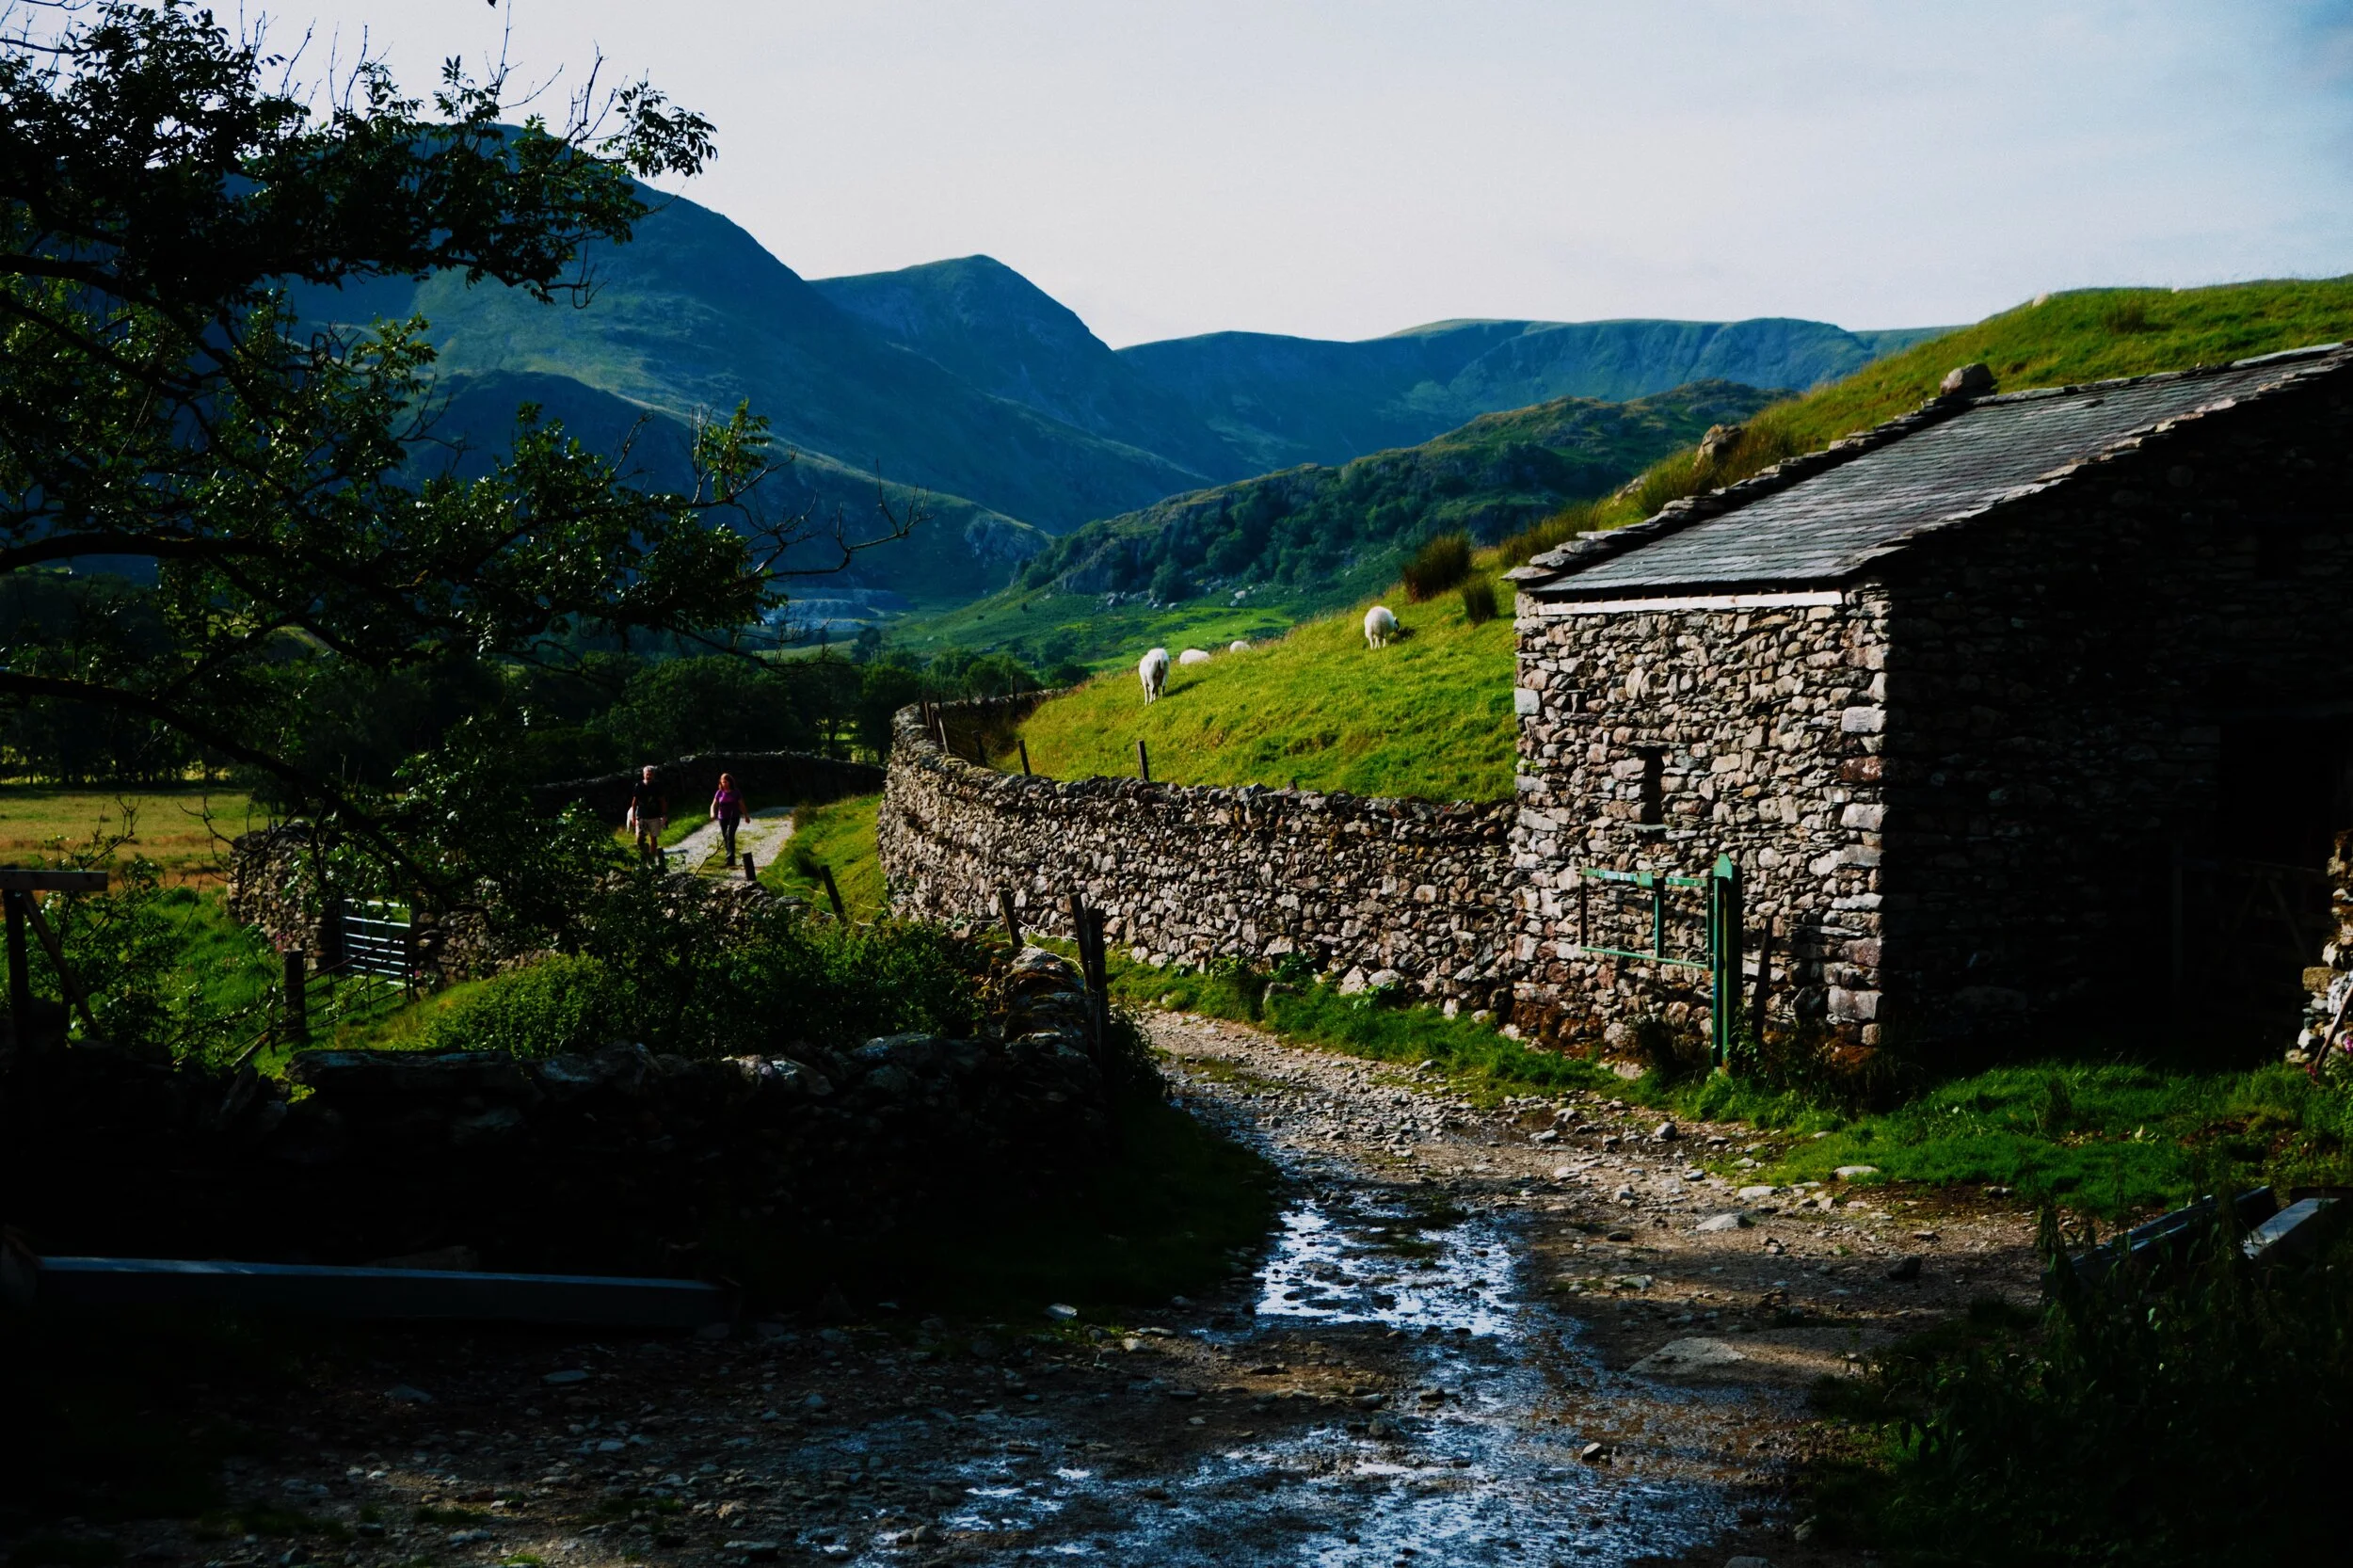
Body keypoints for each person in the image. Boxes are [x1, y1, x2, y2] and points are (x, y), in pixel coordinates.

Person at [627, 765, 667, 859]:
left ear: (653, 775)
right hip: (642, 816)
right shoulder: (639, 786)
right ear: (643, 775)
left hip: (654, 816)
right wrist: (633, 816)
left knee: (654, 838)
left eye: (650, 774)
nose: (648, 776)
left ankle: (652, 859)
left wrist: (664, 815)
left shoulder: (657, 786)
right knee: (640, 837)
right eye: (647, 774)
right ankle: (643, 853)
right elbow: (634, 802)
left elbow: (663, 801)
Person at [711, 772, 745, 862]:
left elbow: (741, 805)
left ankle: (730, 859)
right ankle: (729, 855)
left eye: (726, 782)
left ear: (730, 782)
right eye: (723, 782)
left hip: (734, 817)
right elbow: (713, 805)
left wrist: (746, 815)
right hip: (722, 817)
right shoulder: (719, 793)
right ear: (720, 783)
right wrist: (712, 813)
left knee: (730, 835)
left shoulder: (736, 792)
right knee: (725, 837)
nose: (724, 784)